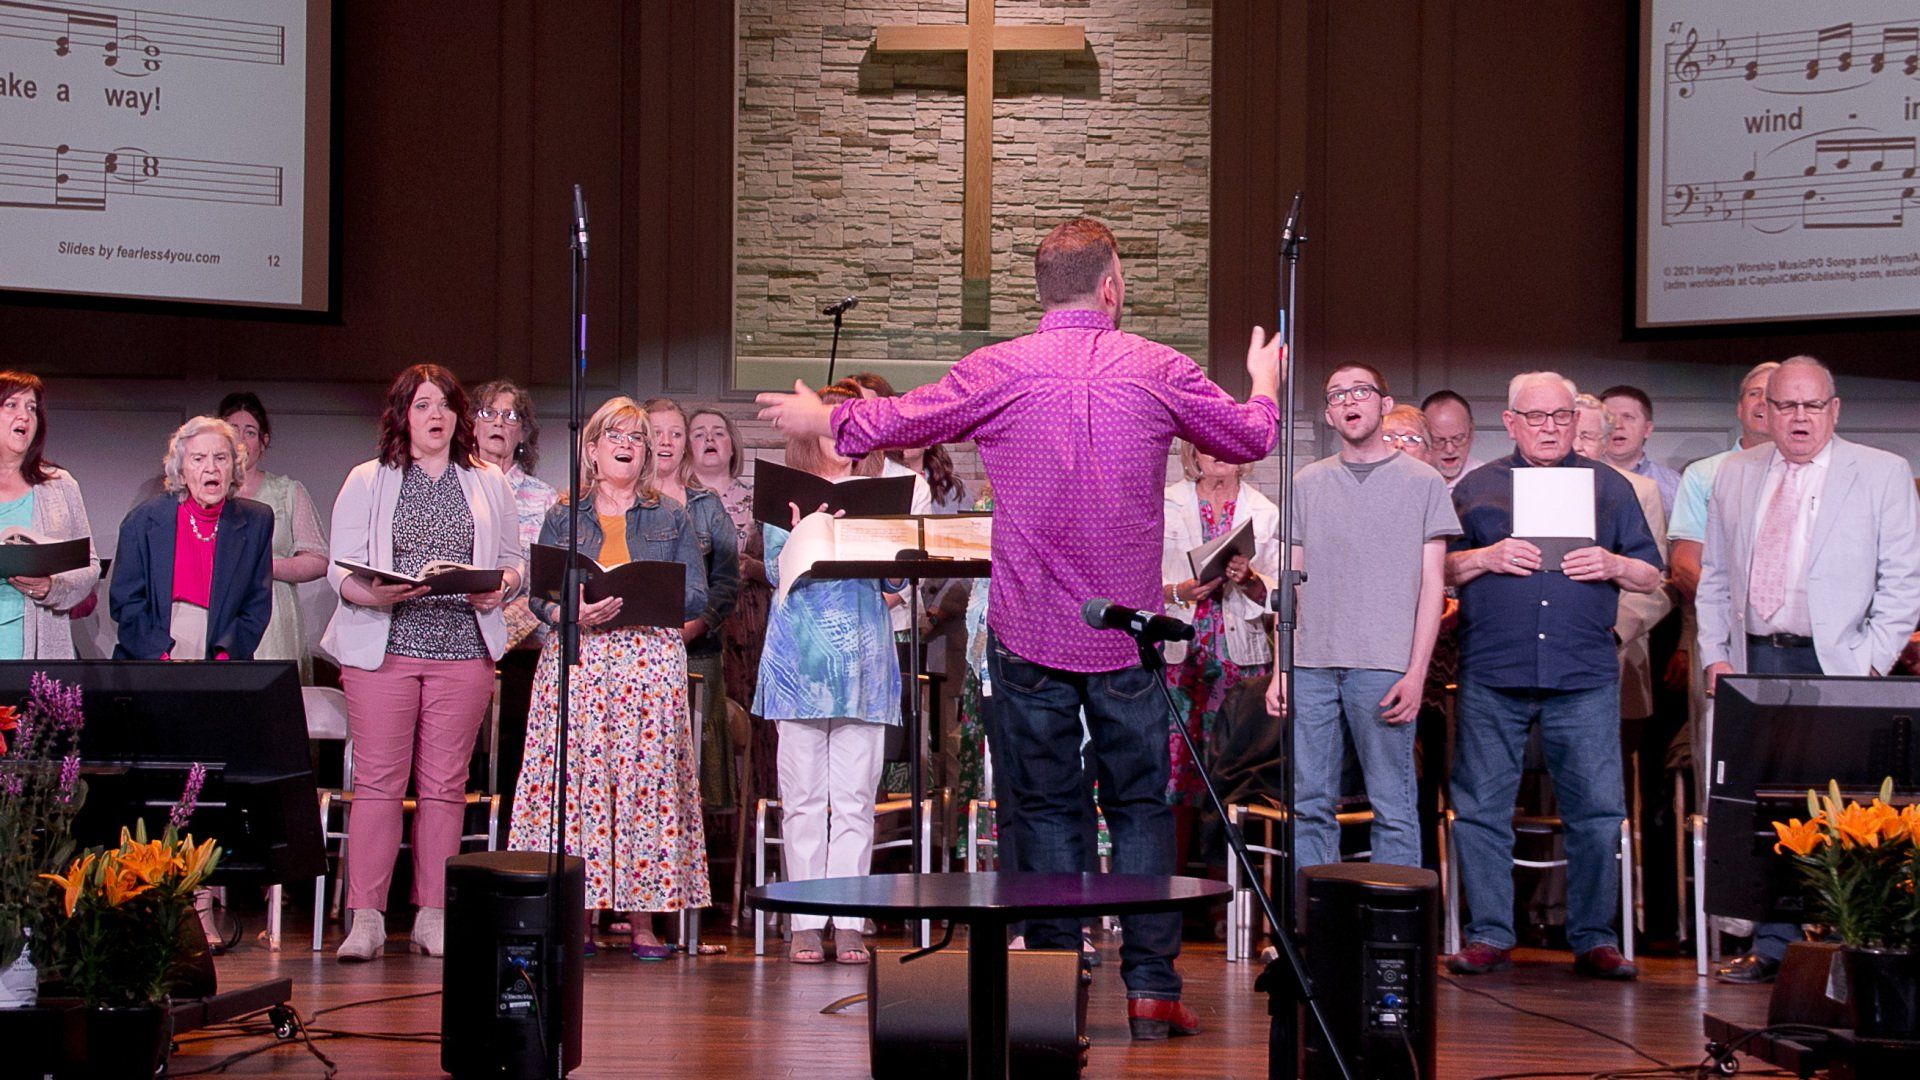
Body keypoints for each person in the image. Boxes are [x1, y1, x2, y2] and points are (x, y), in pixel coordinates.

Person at [757, 217, 1280, 1038]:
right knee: (1140, 806)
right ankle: (1148, 987)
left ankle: (1048, 989)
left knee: (1040, 809)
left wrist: (825, 420)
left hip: (1031, 629)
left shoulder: (999, 367)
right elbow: (1251, 434)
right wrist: (1264, 379)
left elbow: (905, 418)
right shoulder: (1155, 366)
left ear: (1042, 292)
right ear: (1110, 287)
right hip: (1125, 634)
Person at [1695, 355, 1920, 983]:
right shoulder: (1735, 474)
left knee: (1845, 808)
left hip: (1840, 665)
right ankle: (1774, 946)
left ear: (1834, 410)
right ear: (1765, 411)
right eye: (1784, 405)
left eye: (1810, 406)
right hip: (1754, 663)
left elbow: (1904, 581)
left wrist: (1870, 665)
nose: (1797, 418)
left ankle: (1848, 944)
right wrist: (1717, 654)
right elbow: (1713, 579)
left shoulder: (1881, 472)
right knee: (1764, 808)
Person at [1442, 372, 1662, 981]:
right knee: (1482, 808)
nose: (1548, 428)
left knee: (1596, 812)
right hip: (1494, 669)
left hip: (1583, 673)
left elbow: (1652, 576)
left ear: (1576, 422)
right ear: (1510, 422)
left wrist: (1614, 563)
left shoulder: (1611, 489)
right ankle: (1489, 934)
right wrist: (1484, 557)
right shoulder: (1478, 488)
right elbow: (1436, 571)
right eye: (1535, 418)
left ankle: (1593, 937)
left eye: (1560, 417)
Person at [323, 365, 523, 962]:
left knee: (444, 788)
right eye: (421, 405)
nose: (434, 415)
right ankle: (367, 918)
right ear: (402, 415)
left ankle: (433, 914)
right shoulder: (368, 479)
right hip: (382, 648)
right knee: (379, 785)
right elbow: (340, 567)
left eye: (444, 405)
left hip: (462, 650)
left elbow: (514, 562)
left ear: (460, 416)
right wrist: (371, 591)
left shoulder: (488, 483)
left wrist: (502, 586)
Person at [508, 397, 710, 959]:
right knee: (580, 788)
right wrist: (569, 611)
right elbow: (538, 597)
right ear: (592, 448)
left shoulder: (669, 515)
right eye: (615, 434)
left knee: (645, 788)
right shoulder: (562, 515)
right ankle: (582, 920)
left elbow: (695, 593)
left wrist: (642, 597)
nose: (627, 444)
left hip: (647, 662)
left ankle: (644, 924)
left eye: (638, 436)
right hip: (580, 661)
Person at [1274, 366, 1457, 877]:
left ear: (1383, 403)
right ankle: (1314, 933)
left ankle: (1390, 937)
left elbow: (1431, 588)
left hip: (1383, 666)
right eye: (1337, 395)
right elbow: (1287, 583)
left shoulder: (1423, 482)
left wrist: (1417, 673)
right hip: (1312, 664)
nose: (1350, 401)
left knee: (1392, 803)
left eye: (1360, 391)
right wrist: (1279, 670)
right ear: (1330, 414)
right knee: (1310, 803)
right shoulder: (1307, 482)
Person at [755, 382, 911, 967]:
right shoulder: (785, 497)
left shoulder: (882, 492)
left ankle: (846, 920)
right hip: (799, 663)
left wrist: (888, 541)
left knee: (852, 803)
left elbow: (897, 582)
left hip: (864, 667)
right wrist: (805, 531)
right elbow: (776, 573)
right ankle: (803, 920)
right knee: (800, 802)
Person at [1160, 440, 1277, 869]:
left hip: (1236, 656)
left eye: (1229, 442)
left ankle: (1224, 895)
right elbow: (1138, 581)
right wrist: (1179, 591)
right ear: (1192, 451)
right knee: (1172, 771)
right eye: (1208, 442)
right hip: (1179, 653)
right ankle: (1167, 893)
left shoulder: (1263, 510)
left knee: (1230, 771)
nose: (1219, 452)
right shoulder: (1166, 502)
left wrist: (1249, 579)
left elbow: (1277, 594)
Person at [643, 398, 741, 816]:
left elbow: (726, 579)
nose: (666, 441)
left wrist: (694, 626)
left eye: (675, 433)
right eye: (656, 432)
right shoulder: (619, 502)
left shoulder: (705, 505)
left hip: (697, 652)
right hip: (637, 653)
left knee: (699, 777)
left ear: (685, 444)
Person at [112, 417, 275, 661]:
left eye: (221, 458)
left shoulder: (257, 521)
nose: (211, 468)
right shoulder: (142, 521)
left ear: (234, 467)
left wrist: (224, 657)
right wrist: (160, 656)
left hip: (223, 655)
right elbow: (126, 604)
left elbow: (256, 605)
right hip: (154, 653)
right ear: (181, 470)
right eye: (198, 459)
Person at [468, 379, 558, 821]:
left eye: (510, 416)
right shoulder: (454, 484)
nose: (498, 424)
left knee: (513, 753)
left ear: (524, 433)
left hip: (522, 648)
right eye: (487, 413)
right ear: (471, 425)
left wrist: (507, 626)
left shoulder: (544, 498)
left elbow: (547, 576)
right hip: (459, 640)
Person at [215, 392, 329, 682]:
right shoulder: (205, 491)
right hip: (216, 610)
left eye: (249, 432)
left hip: (273, 615)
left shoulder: (287, 491)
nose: (240, 440)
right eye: (232, 430)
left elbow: (318, 560)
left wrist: (261, 567)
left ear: (263, 443)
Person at [0, 372, 100, 660]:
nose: (25, 416)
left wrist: (50, 587)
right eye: (12, 405)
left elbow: (89, 565)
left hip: (39, 649)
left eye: (31, 408)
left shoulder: (59, 485)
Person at [1599, 385, 1680, 515]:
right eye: (1609, 418)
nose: (1618, 426)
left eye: (1628, 417)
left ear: (1647, 429)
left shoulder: (1673, 484)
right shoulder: (1584, 478)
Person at [1422, 390, 1476, 491]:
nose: (1449, 450)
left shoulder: (1487, 482)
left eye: (1458, 438)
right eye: (1438, 440)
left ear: (1471, 432)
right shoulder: (1413, 479)